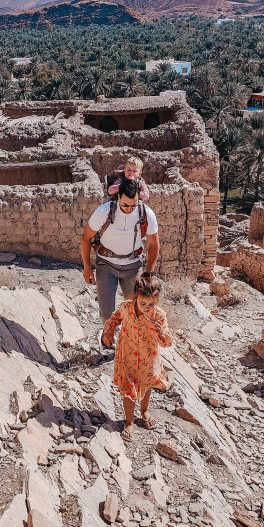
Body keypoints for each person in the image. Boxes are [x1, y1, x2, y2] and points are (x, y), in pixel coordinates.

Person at [80, 177, 160, 338]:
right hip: (106, 265)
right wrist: (87, 267)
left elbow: (154, 243)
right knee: (106, 310)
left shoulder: (146, 214)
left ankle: (131, 341)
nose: (130, 209)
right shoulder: (104, 212)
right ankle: (110, 338)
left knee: (135, 309)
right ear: (118, 198)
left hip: (133, 266)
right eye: (125, 205)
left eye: (133, 205)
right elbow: (86, 238)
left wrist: (149, 271)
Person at [102, 274, 172, 441]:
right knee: (128, 389)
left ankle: (144, 411)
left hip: (149, 357)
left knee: (146, 385)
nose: (147, 308)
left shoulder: (158, 315)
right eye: (143, 303)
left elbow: (167, 341)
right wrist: (108, 332)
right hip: (127, 354)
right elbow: (114, 319)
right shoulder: (126, 307)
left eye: (151, 304)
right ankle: (129, 422)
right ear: (135, 296)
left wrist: (162, 333)